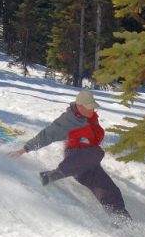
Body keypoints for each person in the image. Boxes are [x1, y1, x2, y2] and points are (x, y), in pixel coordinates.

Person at [7, 91, 131, 226]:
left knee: (111, 191)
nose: (93, 110)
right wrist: (22, 151)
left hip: (88, 164)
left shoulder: (90, 117)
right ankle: (54, 175)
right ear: (79, 106)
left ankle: (124, 224)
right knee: (97, 152)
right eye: (90, 107)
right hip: (74, 158)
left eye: (93, 107)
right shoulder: (67, 121)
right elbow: (47, 135)